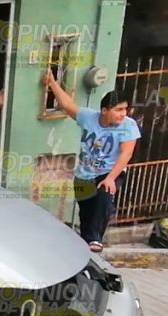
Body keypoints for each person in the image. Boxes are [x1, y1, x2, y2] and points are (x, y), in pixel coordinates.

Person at [44, 70, 140, 252]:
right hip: (84, 174)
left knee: (103, 199)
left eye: (125, 109)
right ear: (104, 111)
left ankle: (94, 241)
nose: (123, 114)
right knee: (87, 214)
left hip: (109, 172)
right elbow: (67, 104)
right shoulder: (89, 117)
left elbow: (126, 154)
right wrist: (52, 83)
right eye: (118, 110)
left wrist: (111, 178)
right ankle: (87, 245)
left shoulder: (129, 126)